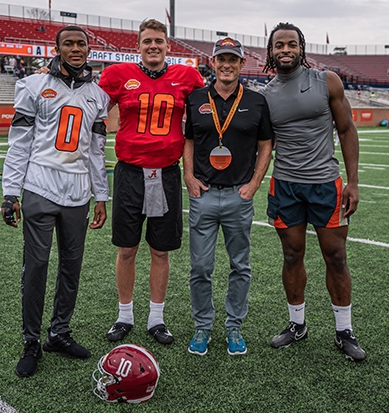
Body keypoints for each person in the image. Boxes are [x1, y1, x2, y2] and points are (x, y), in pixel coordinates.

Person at [1, 25, 110, 378]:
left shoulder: (98, 96)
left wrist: (101, 195)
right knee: (36, 267)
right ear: (57, 47)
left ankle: (58, 333)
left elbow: (96, 152)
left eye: (81, 43)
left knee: (72, 267)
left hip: (78, 192)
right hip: (40, 185)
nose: (76, 49)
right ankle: (31, 340)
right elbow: (19, 143)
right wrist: (10, 192)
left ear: (89, 48)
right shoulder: (33, 85)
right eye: (69, 43)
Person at [260, 22, 365, 361]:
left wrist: (353, 180)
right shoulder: (266, 95)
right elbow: (262, 145)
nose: (285, 50)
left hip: (325, 183)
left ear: (301, 48)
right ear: (271, 52)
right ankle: (297, 324)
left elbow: (347, 129)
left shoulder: (327, 80)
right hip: (286, 185)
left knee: (336, 256)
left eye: (292, 44)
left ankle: (344, 330)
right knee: (291, 255)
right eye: (279, 45)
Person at [98, 19, 204, 344]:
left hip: (167, 173)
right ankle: (125, 315)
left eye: (159, 40)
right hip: (129, 173)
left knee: (160, 250)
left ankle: (156, 319)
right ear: (138, 46)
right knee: (126, 248)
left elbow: (203, 121)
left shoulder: (187, 76)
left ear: (168, 45)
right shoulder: (118, 75)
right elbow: (92, 110)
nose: (153, 46)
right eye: (147, 41)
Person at [183, 38, 274, 356]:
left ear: (240, 64)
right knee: (200, 267)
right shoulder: (195, 98)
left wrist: (254, 183)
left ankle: (234, 327)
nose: (226, 64)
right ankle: (202, 328)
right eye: (221, 59)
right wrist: (189, 176)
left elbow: (266, 145)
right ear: (213, 62)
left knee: (240, 266)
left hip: (239, 195)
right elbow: (190, 141)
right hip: (204, 194)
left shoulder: (256, 101)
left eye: (232, 60)